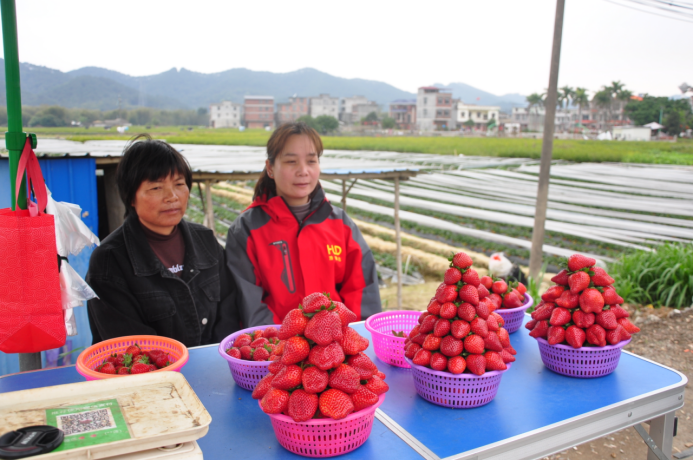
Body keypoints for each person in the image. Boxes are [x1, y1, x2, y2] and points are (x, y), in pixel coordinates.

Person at [86, 136, 240, 347]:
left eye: (179, 184)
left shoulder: (205, 240)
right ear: (131, 197)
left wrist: (216, 358)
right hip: (152, 376)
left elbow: (228, 313)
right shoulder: (109, 261)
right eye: (156, 188)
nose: (172, 196)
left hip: (213, 367)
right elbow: (129, 345)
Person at [226, 122, 381, 327]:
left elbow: (362, 290)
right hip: (277, 350)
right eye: (291, 161)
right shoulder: (246, 230)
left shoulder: (341, 224)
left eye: (311, 161)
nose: (303, 171)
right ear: (270, 168)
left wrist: (350, 336)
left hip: (336, 346)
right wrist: (285, 344)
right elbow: (249, 304)